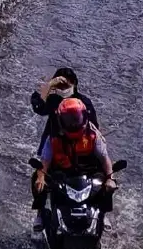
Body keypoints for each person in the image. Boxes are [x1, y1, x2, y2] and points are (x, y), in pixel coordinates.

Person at [31, 98, 117, 230]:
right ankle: (40, 214)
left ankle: (102, 215)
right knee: (36, 180)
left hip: (88, 172)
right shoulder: (53, 137)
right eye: (69, 120)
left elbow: (105, 158)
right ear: (60, 120)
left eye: (76, 118)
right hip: (61, 173)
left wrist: (110, 178)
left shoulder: (93, 135)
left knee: (108, 187)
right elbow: (45, 160)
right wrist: (41, 177)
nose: (73, 123)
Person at [30, 68, 99, 156]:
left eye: (66, 86)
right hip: (54, 142)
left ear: (74, 84)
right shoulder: (53, 100)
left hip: (77, 143)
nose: (63, 89)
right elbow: (39, 109)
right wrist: (49, 85)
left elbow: (94, 125)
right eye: (60, 86)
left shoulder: (84, 102)